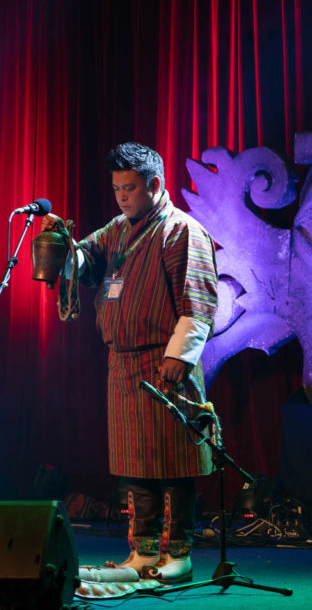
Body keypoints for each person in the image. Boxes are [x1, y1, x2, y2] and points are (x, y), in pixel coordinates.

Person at [41, 143, 217, 583]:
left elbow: (198, 305)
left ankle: (177, 553)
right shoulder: (118, 230)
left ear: (155, 185)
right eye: (117, 188)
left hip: (164, 361)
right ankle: (141, 553)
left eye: (131, 188)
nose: (122, 197)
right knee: (136, 464)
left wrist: (179, 356)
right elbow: (86, 260)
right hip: (122, 364)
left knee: (173, 463)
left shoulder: (182, 231)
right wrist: (64, 248)